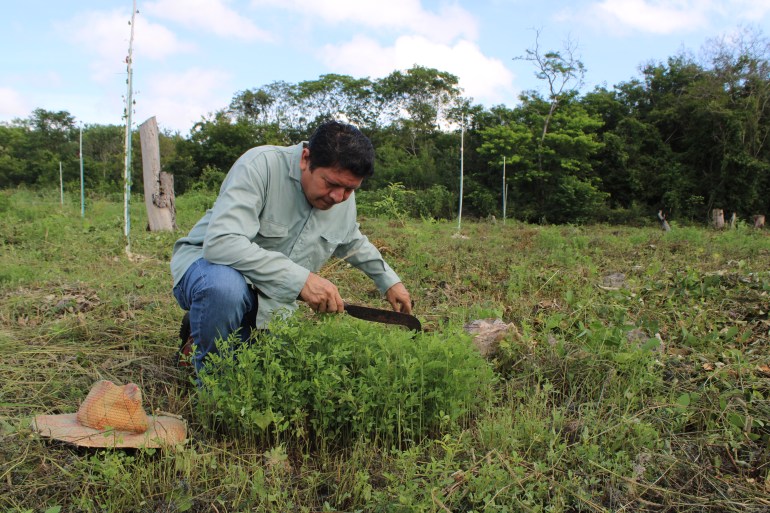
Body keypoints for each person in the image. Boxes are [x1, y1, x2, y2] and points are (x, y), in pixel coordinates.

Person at [170, 120, 412, 372]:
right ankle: (210, 388)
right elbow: (221, 244)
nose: (338, 197)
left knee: (265, 367)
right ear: (305, 159)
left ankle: (202, 329)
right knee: (224, 291)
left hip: (270, 292)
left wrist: (389, 281)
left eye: (349, 189)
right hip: (208, 269)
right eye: (330, 184)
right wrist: (301, 279)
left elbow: (352, 239)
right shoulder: (260, 166)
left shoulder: (340, 198)